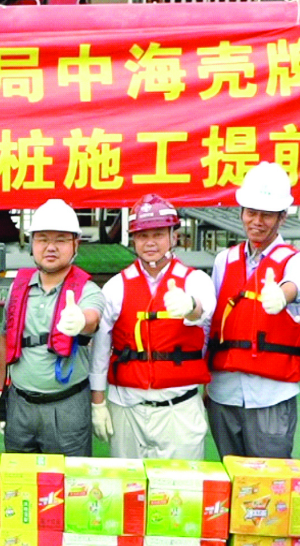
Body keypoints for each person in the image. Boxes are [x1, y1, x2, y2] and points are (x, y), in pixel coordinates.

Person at [89, 194, 216, 460]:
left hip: (179, 407)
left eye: (158, 234)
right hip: (127, 406)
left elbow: (204, 310)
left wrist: (190, 305)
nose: (150, 242)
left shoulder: (195, 280)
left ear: (173, 236)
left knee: (182, 484)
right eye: (142, 235)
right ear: (133, 239)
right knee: (129, 483)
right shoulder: (116, 286)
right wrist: (97, 401)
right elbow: (100, 349)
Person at [205, 161, 300, 459]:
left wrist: (282, 294)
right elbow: (211, 322)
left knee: (270, 479)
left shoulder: (297, 259)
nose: (257, 221)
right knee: (230, 475)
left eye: (267, 214)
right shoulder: (223, 260)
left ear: (282, 216)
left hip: (271, 396)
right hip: (224, 393)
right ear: (241, 212)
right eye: (251, 212)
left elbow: (299, 284)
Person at [0, 199, 103, 456]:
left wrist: (80, 320)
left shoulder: (87, 290)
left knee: (70, 476)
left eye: (61, 240)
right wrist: (0, 392)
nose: (51, 247)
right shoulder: (18, 288)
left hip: (67, 405)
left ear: (75, 244)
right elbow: (5, 340)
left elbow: (93, 317)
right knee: (19, 477)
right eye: (42, 239)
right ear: (32, 243)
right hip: (19, 404)